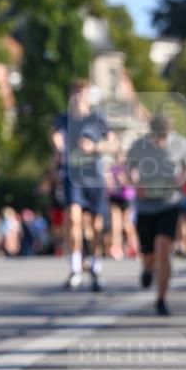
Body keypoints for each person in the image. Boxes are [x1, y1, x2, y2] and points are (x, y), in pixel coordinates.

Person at [51, 79, 113, 291]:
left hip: (94, 176)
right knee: (74, 218)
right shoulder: (64, 118)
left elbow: (113, 143)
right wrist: (59, 147)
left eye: (82, 92)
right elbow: (56, 136)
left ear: (88, 96)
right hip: (72, 174)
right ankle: (76, 268)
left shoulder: (97, 118)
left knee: (96, 226)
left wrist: (94, 147)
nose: (78, 96)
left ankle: (95, 267)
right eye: (75, 92)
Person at [126, 113, 186, 315]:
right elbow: (129, 169)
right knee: (150, 254)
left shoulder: (181, 143)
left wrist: (183, 178)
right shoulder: (139, 145)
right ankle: (147, 268)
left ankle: (161, 299)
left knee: (163, 250)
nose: (161, 140)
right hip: (146, 206)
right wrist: (136, 183)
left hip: (169, 204)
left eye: (164, 134)